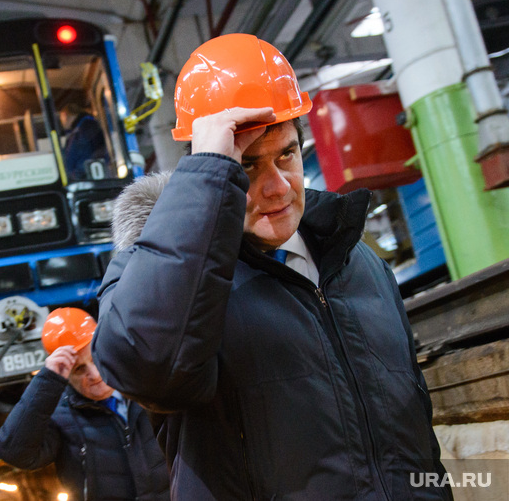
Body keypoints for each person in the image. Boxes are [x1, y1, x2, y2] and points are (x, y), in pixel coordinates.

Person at [91, 34, 452, 500]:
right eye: (247, 167)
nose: (279, 187)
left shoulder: (358, 261)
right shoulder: (172, 283)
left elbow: (416, 432)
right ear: (213, 169)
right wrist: (208, 173)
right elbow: (143, 365)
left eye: (287, 154)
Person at [0, 308, 170, 501]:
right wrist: (47, 380)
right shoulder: (59, 417)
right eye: (79, 369)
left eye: (96, 360)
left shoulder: (146, 389)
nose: (94, 375)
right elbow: (14, 452)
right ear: (66, 375)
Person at [59, 102, 108, 180]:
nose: (62, 124)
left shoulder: (86, 127)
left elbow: (88, 154)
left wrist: (77, 175)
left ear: (65, 115)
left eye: (61, 119)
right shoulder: (80, 129)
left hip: (88, 177)